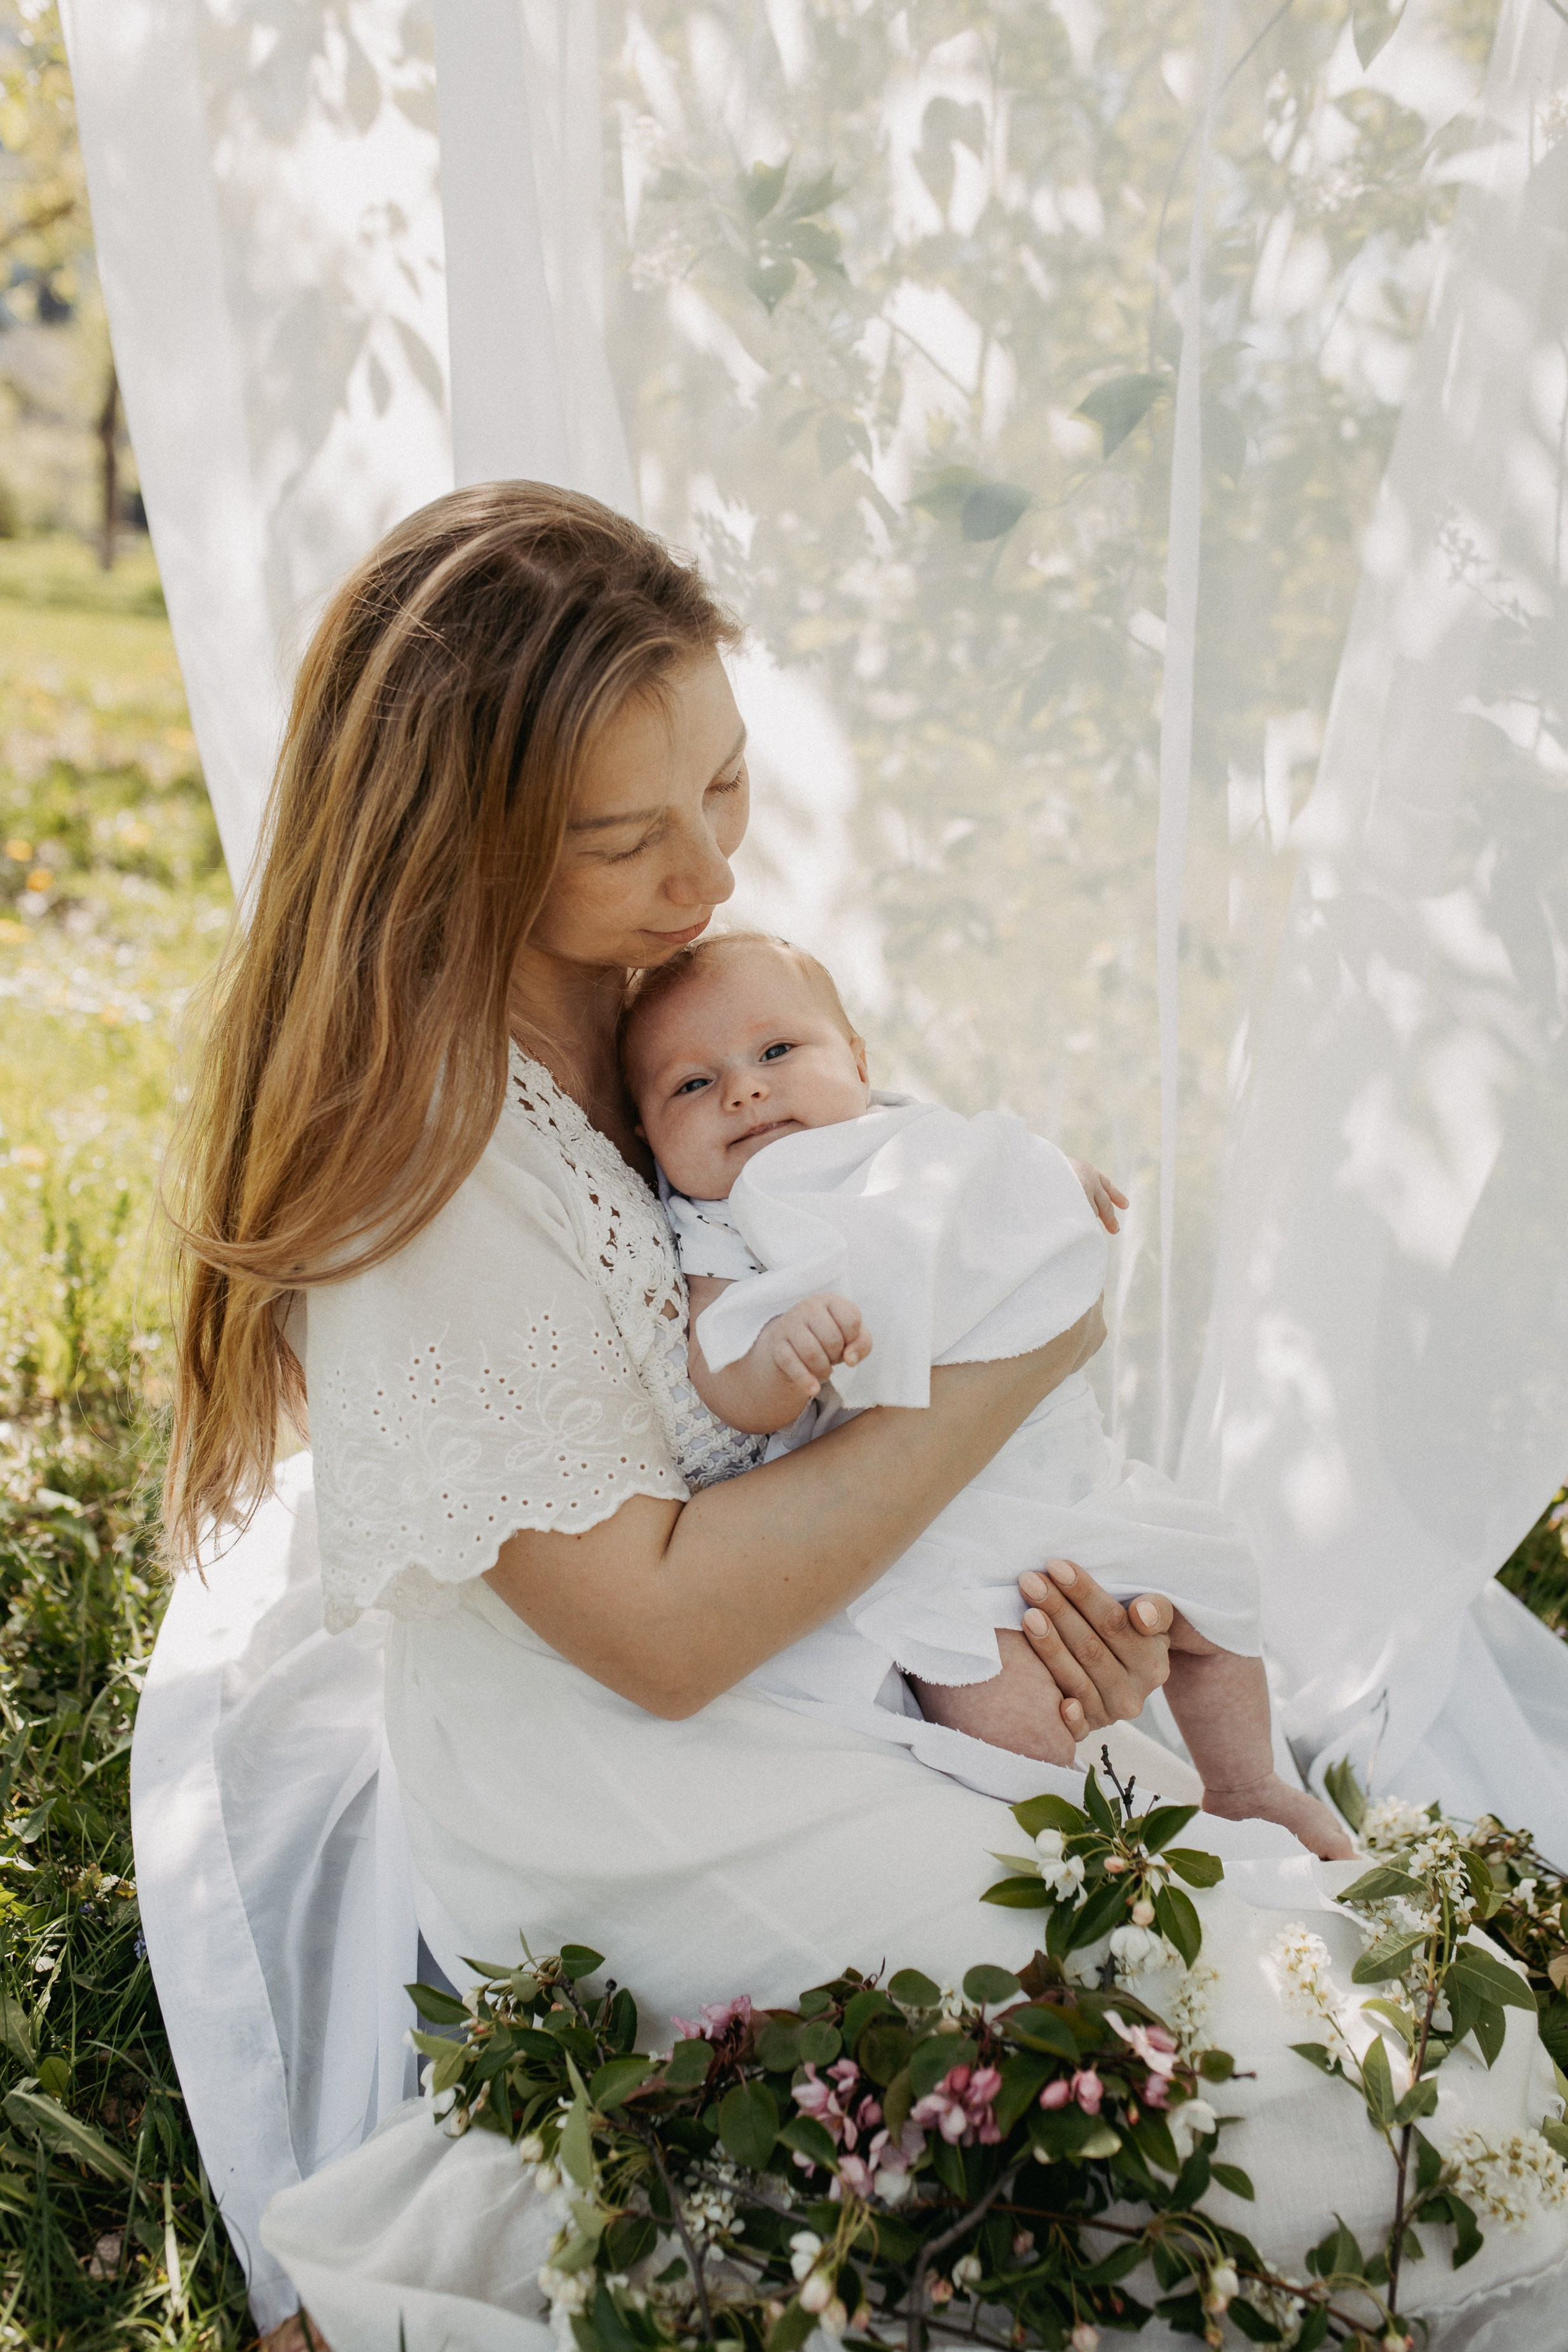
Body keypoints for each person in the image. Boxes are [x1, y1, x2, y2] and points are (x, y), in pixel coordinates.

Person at [158, 484, 1567, 2348]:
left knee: (1366, 2014)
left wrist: (1021, 1633)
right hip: (635, 1780)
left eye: (722, 787)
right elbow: (658, 1635)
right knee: (1349, 2114)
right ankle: (548, 2237)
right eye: (624, 838)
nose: (703, 876)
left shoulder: (662, 1012)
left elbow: (857, 1270)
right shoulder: (424, 1161)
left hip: (839, 1661)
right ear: (458, 838)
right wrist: (1016, 1356)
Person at [618, 929, 1352, 1860]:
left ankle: (1247, 1785)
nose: (744, 1091)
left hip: (1061, 1466)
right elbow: (723, 1373)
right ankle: (1083, 1854)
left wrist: (1056, 1185)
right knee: (999, 1711)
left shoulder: (906, 1135)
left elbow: (995, 1178)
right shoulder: (718, 1220)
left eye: (776, 1051)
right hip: (932, 1527)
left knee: (1213, 1587)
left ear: (859, 1061)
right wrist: (777, 1360)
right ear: (645, 1135)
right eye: (692, 1084)